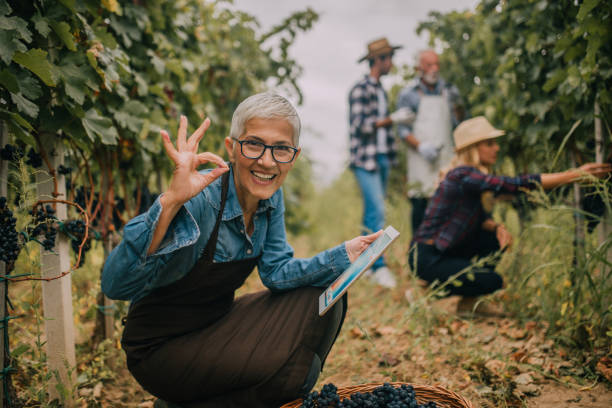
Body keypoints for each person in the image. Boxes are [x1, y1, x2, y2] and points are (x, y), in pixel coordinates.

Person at [101, 93, 383, 408]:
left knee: (322, 298)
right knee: (282, 372)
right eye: (254, 144)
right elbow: (116, 285)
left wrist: (343, 255)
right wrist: (171, 201)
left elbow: (276, 273)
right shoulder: (202, 200)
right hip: (160, 348)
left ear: (294, 155)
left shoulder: (270, 198)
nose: (267, 160)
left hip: (215, 326)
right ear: (231, 149)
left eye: (281, 149)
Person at [409, 116, 611, 316]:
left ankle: (467, 303)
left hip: (443, 251)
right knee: (492, 281)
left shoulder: (467, 178)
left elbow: (475, 219)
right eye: (489, 143)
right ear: (473, 149)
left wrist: (497, 228)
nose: (496, 148)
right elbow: (513, 184)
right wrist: (573, 175)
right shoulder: (462, 175)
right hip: (427, 256)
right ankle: (426, 292)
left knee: (492, 240)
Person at [348, 37, 413, 289]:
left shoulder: (380, 90)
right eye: (389, 58)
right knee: (378, 210)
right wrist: (391, 120)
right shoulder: (360, 89)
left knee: (371, 211)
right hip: (366, 159)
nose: (392, 63)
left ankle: (362, 264)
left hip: (383, 157)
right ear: (379, 60)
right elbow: (360, 126)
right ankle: (379, 266)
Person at [396, 49, 466, 235]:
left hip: (445, 155)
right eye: (429, 65)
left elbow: (458, 123)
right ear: (419, 67)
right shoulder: (408, 94)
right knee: (420, 204)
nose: (434, 69)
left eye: (436, 64)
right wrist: (420, 146)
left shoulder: (449, 91)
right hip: (420, 158)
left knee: (448, 202)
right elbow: (403, 130)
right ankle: (417, 254)